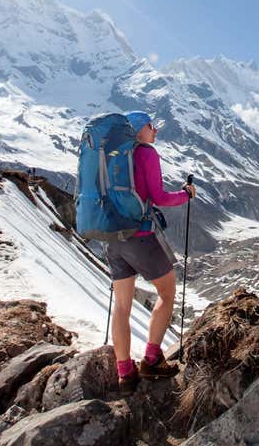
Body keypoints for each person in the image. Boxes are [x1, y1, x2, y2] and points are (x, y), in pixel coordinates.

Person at [107, 110, 196, 394]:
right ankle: (152, 359)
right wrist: (186, 195)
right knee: (167, 293)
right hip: (140, 237)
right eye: (150, 125)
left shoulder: (112, 156)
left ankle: (124, 373)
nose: (155, 130)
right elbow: (158, 197)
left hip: (113, 238)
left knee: (122, 306)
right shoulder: (145, 153)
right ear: (137, 130)